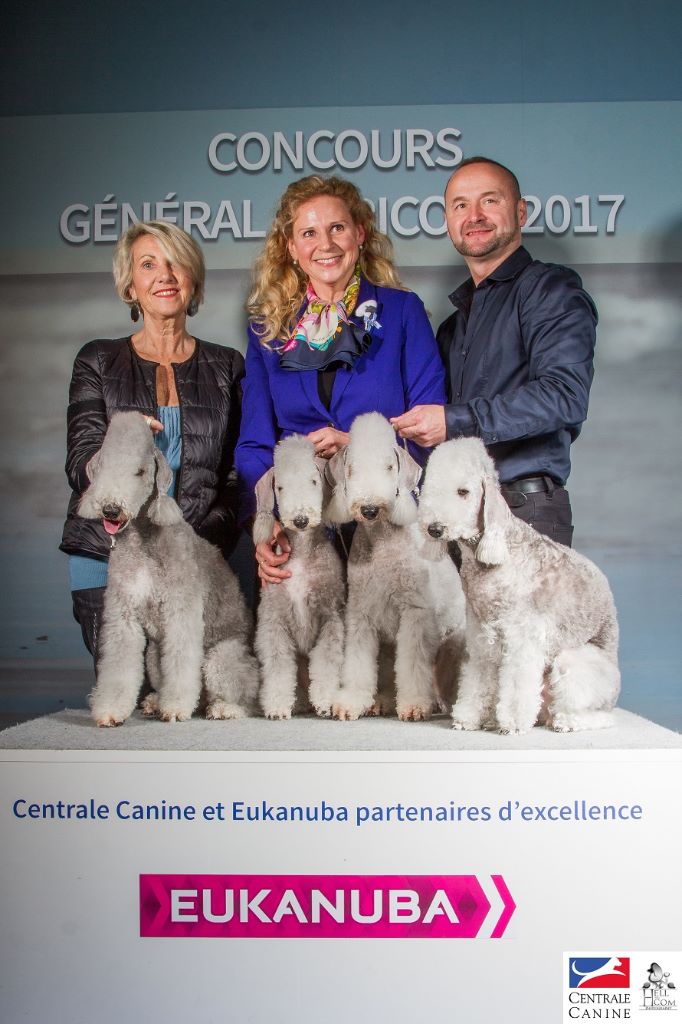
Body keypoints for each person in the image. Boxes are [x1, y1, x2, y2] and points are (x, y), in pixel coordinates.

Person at [235, 174, 446, 584]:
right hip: (301, 536)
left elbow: (430, 429)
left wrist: (358, 447)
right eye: (309, 233)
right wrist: (263, 525)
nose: (326, 244)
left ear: (360, 233)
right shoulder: (267, 330)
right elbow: (254, 443)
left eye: (337, 228)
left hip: (389, 532)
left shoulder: (402, 313)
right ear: (292, 249)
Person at [391, 156, 597, 547]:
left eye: (490, 201)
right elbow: (427, 424)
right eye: (461, 205)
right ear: (449, 220)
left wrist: (454, 421)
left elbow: (565, 396)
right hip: (456, 517)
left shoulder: (550, 289)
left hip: (523, 512)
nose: (474, 215)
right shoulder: (452, 327)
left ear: (520, 211)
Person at [60, 221, 244, 658]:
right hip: (107, 558)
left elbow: (237, 476)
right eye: (148, 265)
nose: (164, 275)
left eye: (175, 263)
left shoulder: (227, 366)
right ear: (130, 285)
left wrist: (200, 543)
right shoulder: (97, 360)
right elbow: (80, 463)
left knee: (191, 703)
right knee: (135, 702)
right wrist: (123, 440)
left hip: (193, 558)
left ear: (193, 280)